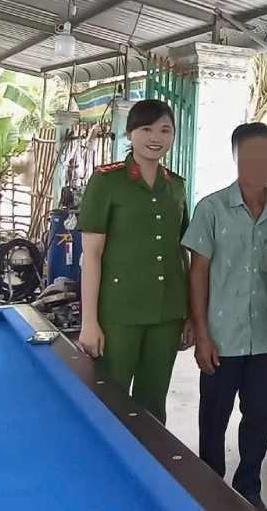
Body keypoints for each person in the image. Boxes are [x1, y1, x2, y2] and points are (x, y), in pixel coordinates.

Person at [182, 122, 267, 511]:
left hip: (265, 337)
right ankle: (210, 489)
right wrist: (202, 333)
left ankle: (249, 488)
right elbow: (198, 272)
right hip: (221, 336)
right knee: (213, 418)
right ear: (236, 158)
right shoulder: (210, 209)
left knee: (259, 418)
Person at [77, 98, 194, 425]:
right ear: (130, 133)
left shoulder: (177, 187)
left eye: (164, 130)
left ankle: (150, 468)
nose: (155, 137)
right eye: (146, 129)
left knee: (153, 403)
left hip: (167, 315)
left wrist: (190, 316)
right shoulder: (107, 181)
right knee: (108, 400)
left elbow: (181, 251)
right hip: (119, 314)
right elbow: (92, 255)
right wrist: (89, 321)